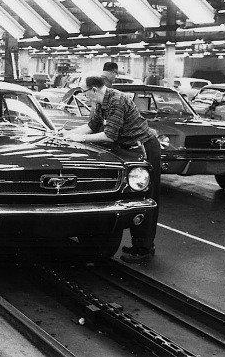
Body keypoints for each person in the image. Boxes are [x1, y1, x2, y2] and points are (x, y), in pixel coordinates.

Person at [64, 75, 161, 263]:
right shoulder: (99, 103)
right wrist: (67, 134)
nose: (83, 97)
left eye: (83, 92)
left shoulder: (116, 100)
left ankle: (144, 248)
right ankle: (140, 245)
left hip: (144, 147)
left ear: (93, 90)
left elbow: (109, 135)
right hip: (128, 147)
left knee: (146, 196)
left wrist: (79, 139)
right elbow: (91, 126)